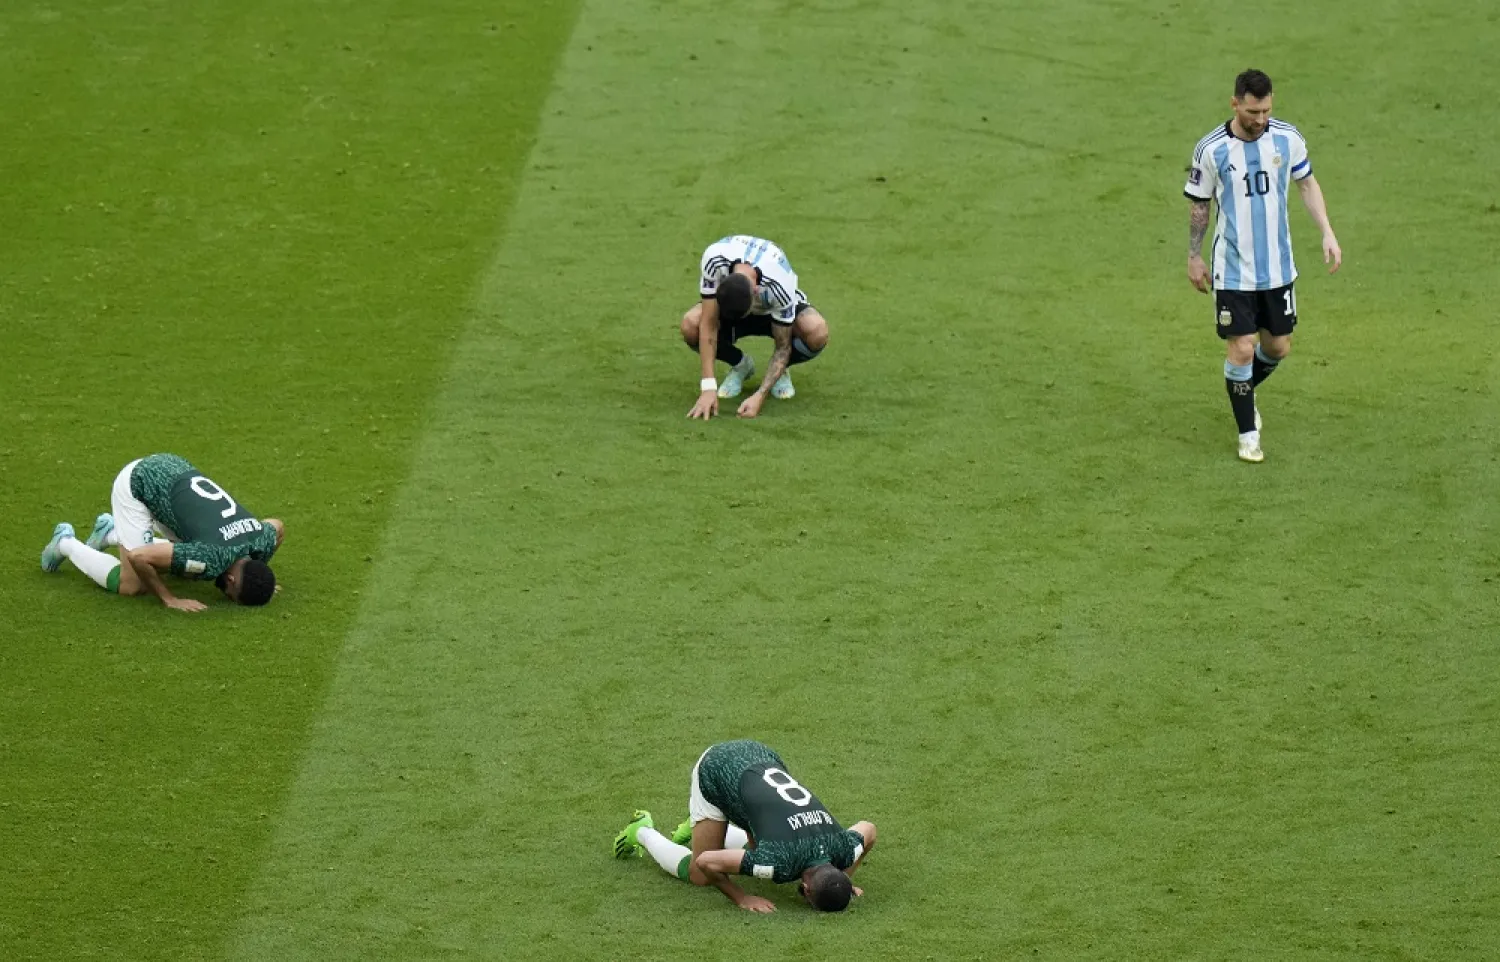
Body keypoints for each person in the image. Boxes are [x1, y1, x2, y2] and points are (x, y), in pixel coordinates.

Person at [1184, 68, 1342, 462]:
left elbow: (1306, 183)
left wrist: (1327, 231)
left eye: (1266, 110)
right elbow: (1200, 206)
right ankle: (1247, 434)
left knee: (1278, 347)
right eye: (1252, 111)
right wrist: (1193, 256)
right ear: (1235, 103)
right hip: (1232, 269)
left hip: (1277, 269)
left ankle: (1243, 390)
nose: (1259, 119)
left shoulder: (1287, 138)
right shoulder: (1211, 149)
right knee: (1241, 349)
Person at [611, 739, 877, 913]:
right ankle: (643, 831)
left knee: (755, 844)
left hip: (761, 755)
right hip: (717, 768)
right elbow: (706, 861)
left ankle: (703, 827)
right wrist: (741, 898)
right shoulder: (778, 862)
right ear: (806, 890)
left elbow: (868, 829)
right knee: (699, 875)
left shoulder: (842, 846)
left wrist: (842, 880)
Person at [40, 453, 284, 611]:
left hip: (174, 469)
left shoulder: (259, 539)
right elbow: (139, 558)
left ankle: (112, 533)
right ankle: (65, 543)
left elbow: (277, 526)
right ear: (231, 580)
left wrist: (258, 574)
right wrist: (169, 599)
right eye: (231, 595)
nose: (226, 594)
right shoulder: (211, 558)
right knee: (132, 584)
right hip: (139, 484)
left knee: (187, 569)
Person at [681, 235, 831, 420]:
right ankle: (740, 365)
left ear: (756, 292)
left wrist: (760, 395)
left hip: (774, 309)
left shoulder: (779, 285)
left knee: (816, 331)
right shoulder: (714, 260)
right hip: (736, 302)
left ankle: (781, 371)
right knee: (690, 324)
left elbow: (783, 347)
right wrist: (708, 388)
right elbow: (708, 323)